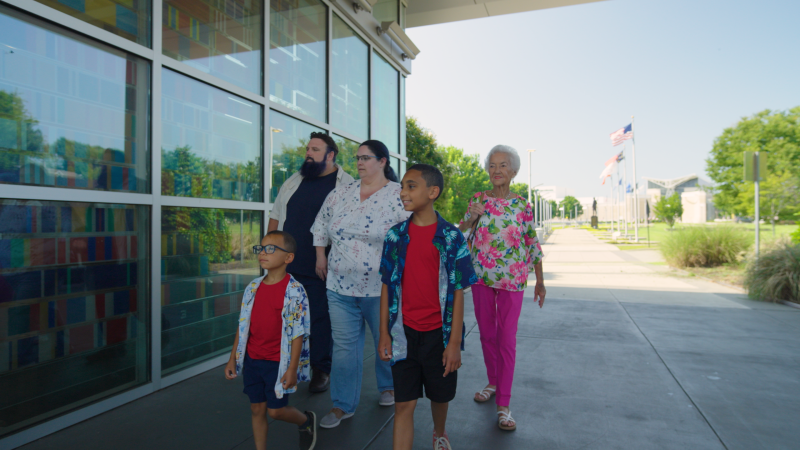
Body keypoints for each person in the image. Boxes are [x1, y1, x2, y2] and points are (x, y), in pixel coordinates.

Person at [311, 140, 411, 429]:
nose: (359, 163)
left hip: (381, 288)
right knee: (344, 347)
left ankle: (388, 387)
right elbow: (321, 224)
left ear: (382, 161)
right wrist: (321, 255)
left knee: (386, 340)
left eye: (366, 158)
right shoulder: (341, 193)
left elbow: (411, 235)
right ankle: (342, 405)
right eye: (357, 158)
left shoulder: (397, 195)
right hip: (339, 286)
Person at [378, 164, 477, 450]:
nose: (403, 192)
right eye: (403, 186)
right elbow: (387, 284)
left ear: (432, 192)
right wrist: (385, 332)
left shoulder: (452, 238)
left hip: (439, 336)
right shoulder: (395, 236)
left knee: (440, 395)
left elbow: (459, 290)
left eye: (411, 186)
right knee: (403, 406)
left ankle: (440, 431)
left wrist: (455, 341)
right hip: (403, 335)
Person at [458, 145, 546, 431]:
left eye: (503, 165)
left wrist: (540, 281)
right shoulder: (477, 200)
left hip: (513, 280)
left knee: (506, 338)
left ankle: (504, 404)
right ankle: (493, 382)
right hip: (482, 277)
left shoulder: (522, 205)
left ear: (514, 171)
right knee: (486, 335)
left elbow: (532, 243)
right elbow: (463, 233)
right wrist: (470, 217)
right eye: (492, 165)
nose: (497, 170)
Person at [268, 132, 355, 393]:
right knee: (287, 318)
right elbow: (275, 215)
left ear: (330, 155)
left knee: (319, 320)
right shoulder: (294, 181)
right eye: (308, 148)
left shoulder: (346, 184)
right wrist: (269, 249)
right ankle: (289, 365)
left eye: (315, 149)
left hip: (322, 265)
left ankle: (321, 369)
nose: (308, 153)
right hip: (288, 264)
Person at [224, 231, 317, 450]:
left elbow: (298, 333)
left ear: (288, 258)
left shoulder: (294, 291)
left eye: (271, 249)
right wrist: (232, 358)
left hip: (278, 363)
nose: (263, 253)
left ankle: (305, 421)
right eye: (262, 248)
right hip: (253, 360)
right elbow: (243, 325)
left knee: (276, 411)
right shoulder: (253, 288)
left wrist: (292, 368)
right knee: (256, 409)